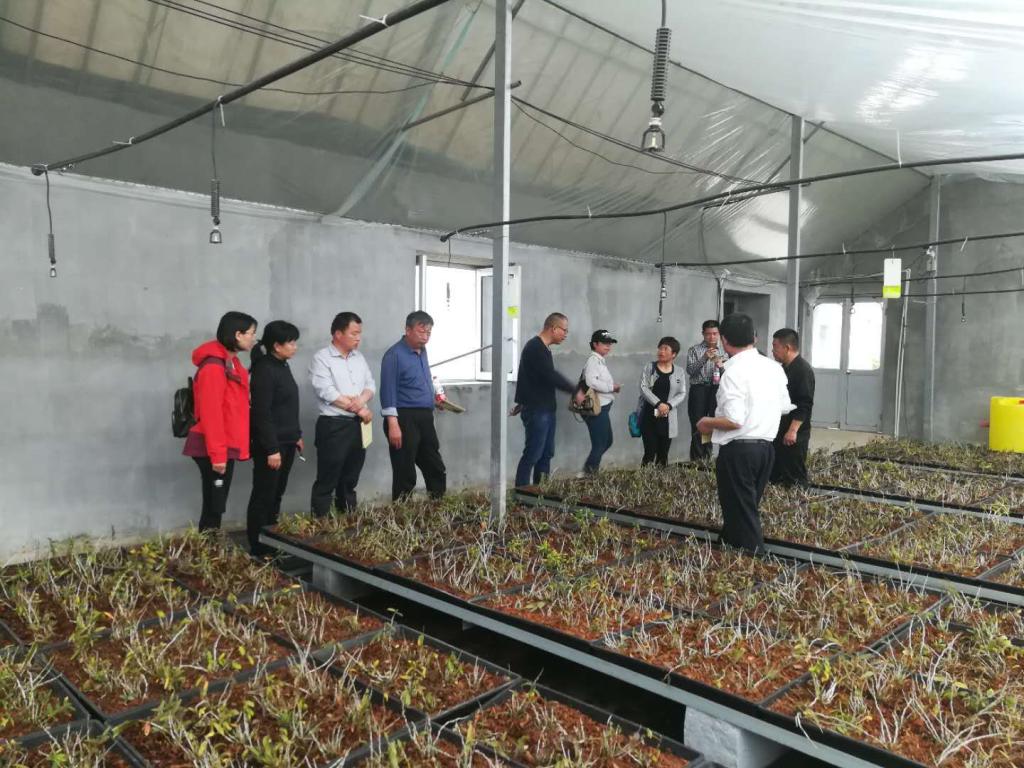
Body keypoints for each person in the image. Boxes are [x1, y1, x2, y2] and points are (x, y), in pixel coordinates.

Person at [696, 313, 793, 552]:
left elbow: (734, 420)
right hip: (766, 450)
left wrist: (706, 422)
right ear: (755, 338)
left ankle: (754, 559)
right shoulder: (774, 368)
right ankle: (727, 548)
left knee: (743, 513)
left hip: (740, 452)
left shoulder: (733, 372)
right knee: (741, 509)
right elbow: (784, 407)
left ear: (724, 341)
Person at [182, 311, 258, 531]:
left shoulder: (230, 363)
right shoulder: (214, 367)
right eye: (251, 333)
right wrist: (218, 455)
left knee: (216, 503)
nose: (254, 338)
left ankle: (211, 545)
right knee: (214, 505)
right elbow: (211, 414)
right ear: (237, 335)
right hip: (215, 448)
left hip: (225, 444)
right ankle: (209, 546)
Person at [309, 312, 375, 517]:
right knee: (327, 479)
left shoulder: (359, 357)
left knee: (350, 478)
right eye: (354, 333)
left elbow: (370, 385)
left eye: (359, 333)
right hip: (334, 426)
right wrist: (359, 408)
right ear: (338, 334)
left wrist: (361, 400)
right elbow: (327, 391)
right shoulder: (322, 358)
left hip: (359, 425)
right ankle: (320, 524)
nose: (358, 338)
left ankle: (347, 521)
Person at [246, 321, 303, 557]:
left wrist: (296, 435)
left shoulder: (282, 365)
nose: (295, 347)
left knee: (276, 494)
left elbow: (287, 406)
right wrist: (271, 448)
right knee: (264, 495)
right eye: (291, 343)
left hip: (287, 441)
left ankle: (271, 540)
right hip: (271, 445)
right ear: (276, 346)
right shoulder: (265, 370)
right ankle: (258, 546)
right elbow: (262, 413)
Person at [380, 311, 446, 501]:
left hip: (424, 417)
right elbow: (388, 391)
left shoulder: (422, 352)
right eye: (421, 331)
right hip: (403, 418)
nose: (425, 337)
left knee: (434, 464)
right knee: (404, 468)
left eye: (429, 333)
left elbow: (421, 381)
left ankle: (438, 504)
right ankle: (402, 510)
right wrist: (393, 424)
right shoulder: (394, 355)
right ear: (408, 330)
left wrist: (434, 399)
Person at [513, 313, 585, 487]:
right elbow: (550, 375)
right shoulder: (535, 347)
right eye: (564, 330)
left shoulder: (543, 348)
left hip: (545, 409)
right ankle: (522, 492)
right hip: (538, 411)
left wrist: (521, 402)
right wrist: (575, 391)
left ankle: (541, 492)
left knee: (546, 454)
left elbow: (532, 378)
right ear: (553, 328)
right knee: (533, 454)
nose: (566, 335)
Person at [770, 328, 815, 486]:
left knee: (794, 477)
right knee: (776, 475)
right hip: (780, 430)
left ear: (787, 347)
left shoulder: (802, 370)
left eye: (775, 346)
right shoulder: (784, 368)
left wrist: (792, 430)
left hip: (794, 434)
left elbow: (804, 404)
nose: (772, 350)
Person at [637, 336, 687, 467]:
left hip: (668, 417)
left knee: (663, 454)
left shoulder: (679, 371)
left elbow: (682, 393)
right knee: (649, 453)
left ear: (674, 354)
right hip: (649, 416)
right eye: (660, 348)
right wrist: (659, 404)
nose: (661, 351)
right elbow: (643, 388)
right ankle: (645, 478)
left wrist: (668, 405)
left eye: (665, 349)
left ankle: (661, 478)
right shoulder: (650, 367)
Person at [685, 320, 729, 462]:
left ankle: (707, 457)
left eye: (715, 334)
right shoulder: (694, 350)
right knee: (698, 423)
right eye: (708, 334)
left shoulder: (725, 351)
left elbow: (728, 375)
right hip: (699, 389)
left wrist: (721, 366)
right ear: (703, 334)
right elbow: (690, 371)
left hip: (716, 390)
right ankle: (697, 460)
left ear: (719, 334)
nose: (712, 337)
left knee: (711, 423)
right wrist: (704, 357)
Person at [581, 330, 622, 474]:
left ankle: (589, 471)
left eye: (610, 343)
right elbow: (590, 382)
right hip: (596, 408)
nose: (608, 346)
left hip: (602, 408)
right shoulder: (593, 361)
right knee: (600, 444)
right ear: (595, 344)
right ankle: (589, 474)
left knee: (607, 441)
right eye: (605, 343)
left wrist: (612, 388)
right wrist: (612, 387)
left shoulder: (599, 360)